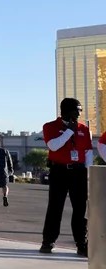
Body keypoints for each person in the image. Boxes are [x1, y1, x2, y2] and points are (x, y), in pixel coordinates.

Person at [40, 99, 92, 257]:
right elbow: (53, 146)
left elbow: (88, 153)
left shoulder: (84, 129)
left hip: (79, 173)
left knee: (80, 209)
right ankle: (48, 242)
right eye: (77, 110)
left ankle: (81, 243)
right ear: (66, 110)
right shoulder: (50, 126)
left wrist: (88, 174)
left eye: (80, 110)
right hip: (59, 171)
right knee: (55, 207)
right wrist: (69, 131)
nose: (79, 113)